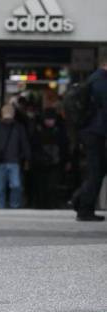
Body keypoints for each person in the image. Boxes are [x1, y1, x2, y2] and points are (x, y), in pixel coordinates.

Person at [74, 58, 107, 221]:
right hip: (95, 132)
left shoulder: (95, 79)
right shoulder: (101, 80)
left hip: (92, 131)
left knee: (99, 169)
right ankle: (84, 208)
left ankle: (80, 200)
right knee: (96, 171)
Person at [0, 105, 31, 209]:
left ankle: (13, 205)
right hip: (0, 162)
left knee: (16, 186)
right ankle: (1, 207)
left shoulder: (18, 127)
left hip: (14, 161)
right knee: (0, 188)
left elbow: (24, 143)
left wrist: (27, 158)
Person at [31, 109, 68, 209]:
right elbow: (33, 146)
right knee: (41, 185)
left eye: (52, 119)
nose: (50, 122)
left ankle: (51, 204)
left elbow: (65, 146)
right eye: (48, 119)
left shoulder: (60, 129)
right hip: (40, 163)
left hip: (55, 162)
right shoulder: (37, 129)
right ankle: (42, 204)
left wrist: (66, 160)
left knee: (52, 186)